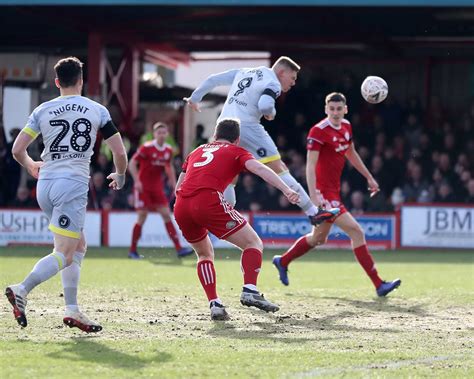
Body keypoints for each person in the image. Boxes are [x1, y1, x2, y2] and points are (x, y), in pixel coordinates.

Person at [5, 56, 128, 332]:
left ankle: (72, 310)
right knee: (64, 251)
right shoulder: (97, 110)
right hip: (71, 184)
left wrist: (30, 164)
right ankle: (22, 289)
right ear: (81, 81)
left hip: (45, 183)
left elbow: (17, 149)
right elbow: (119, 151)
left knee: (77, 247)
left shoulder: (43, 109)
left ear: (57, 81)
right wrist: (119, 175)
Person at [272, 92, 401, 297]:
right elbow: (310, 165)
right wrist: (314, 197)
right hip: (324, 195)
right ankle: (379, 284)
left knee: (318, 239)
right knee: (356, 232)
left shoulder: (347, 126)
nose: (335, 113)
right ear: (326, 110)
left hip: (334, 192)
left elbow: (351, 153)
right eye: (331, 109)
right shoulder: (318, 131)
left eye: (339, 109)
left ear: (345, 109)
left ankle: (283, 261)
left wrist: (369, 176)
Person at [184, 56, 338, 226]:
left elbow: (213, 79)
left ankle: (224, 217)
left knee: (229, 176)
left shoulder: (244, 72)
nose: (293, 83)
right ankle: (313, 212)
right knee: (279, 168)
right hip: (247, 127)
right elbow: (265, 105)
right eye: (292, 78)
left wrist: (195, 98)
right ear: (281, 72)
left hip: (223, 126)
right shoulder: (273, 82)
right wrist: (271, 113)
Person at [174, 118, 300, 320]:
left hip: (181, 205)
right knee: (253, 243)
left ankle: (214, 303)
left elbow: (178, 185)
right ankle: (250, 290)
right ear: (237, 139)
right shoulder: (236, 151)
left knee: (204, 255)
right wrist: (286, 189)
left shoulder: (196, 151)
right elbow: (259, 168)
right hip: (207, 199)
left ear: (215, 135)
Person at [128, 122, 193, 259]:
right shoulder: (147, 148)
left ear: (167, 134)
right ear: (154, 134)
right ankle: (132, 250)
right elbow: (132, 163)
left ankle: (179, 249)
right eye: (159, 132)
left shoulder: (168, 150)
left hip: (157, 188)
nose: (161, 135)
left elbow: (168, 166)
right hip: (143, 187)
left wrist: (174, 183)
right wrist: (137, 181)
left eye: (164, 132)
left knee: (166, 215)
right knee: (142, 217)